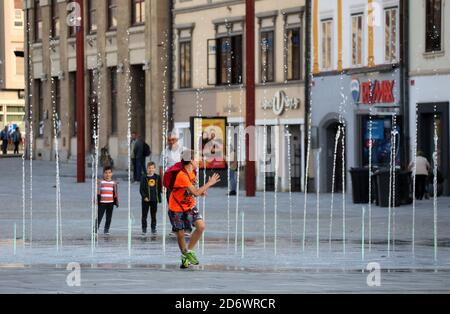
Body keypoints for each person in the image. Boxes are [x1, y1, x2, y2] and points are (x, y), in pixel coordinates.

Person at [168, 150, 221, 269]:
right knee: (181, 234)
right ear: (191, 161)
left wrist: (201, 191)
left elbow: (193, 190)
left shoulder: (193, 172)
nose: (199, 161)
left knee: (201, 226)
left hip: (189, 206)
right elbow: (196, 192)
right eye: (196, 159)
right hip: (176, 208)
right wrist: (209, 183)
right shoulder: (182, 175)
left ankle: (188, 253)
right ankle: (185, 256)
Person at [96, 167, 119, 235]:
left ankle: (106, 229)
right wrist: (96, 200)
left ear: (112, 174)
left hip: (110, 202)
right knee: (99, 216)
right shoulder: (101, 182)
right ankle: (95, 229)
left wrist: (116, 202)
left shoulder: (113, 183)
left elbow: (115, 193)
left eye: (109, 173)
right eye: (106, 173)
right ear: (103, 174)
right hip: (102, 203)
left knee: (109, 217)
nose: (107, 174)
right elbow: (98, 192)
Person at [140, 162, 162, 235]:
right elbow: (141, 189)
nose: (151, 169)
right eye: (149, 168)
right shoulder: (144, 177)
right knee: (144, 215)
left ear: (155, 169)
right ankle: (144, 228)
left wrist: (159, 196)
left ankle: (153, 228)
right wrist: (144, 197)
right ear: (147, 168)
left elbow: (159, 187)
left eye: (152, 168)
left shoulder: (157, 177)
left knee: (153, 215)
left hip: (154, 199)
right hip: (146, 200)